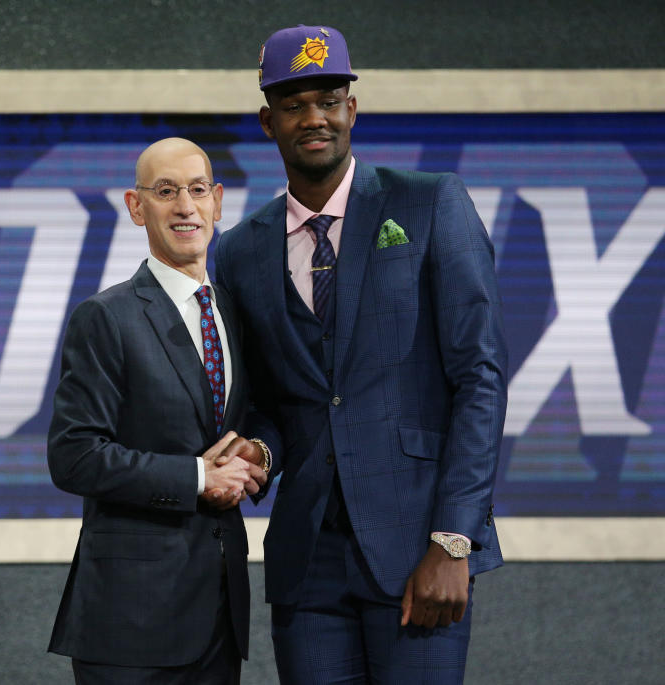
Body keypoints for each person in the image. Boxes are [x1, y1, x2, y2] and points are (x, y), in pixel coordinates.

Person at [215, 25, 508, 684]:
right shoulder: (238, 251)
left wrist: (453, 539)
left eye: (329, 99)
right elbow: (266, 402)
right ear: (268, 122)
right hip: (306, 561)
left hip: (418, 546)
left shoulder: (432, 203)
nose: (313, 117)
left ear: (353, 108)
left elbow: (480, 379)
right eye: (294, 104)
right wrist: (259, 451)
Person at [47, 137, 265, 684]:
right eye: (165, 191)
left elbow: (264, 418)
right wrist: (197, 476)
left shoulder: (239, 314)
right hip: (129, 624)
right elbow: (74, 455)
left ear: (217, 200)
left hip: (219, 614)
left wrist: (259, 453)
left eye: (196, 190)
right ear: (136, 206)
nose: (185, 206)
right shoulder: (106, 317)